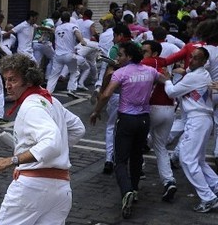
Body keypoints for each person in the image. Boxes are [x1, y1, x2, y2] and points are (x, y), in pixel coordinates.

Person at [0, 54, 85, 225]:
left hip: (32, 189)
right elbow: (78, 128)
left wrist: (11, 160)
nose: (7, 86)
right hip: (61, 190)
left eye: (13, 80)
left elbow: (52, 142)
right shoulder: (51, 101)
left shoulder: (31, 106)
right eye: (6, 80)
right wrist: (54, 152)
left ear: (28, 80)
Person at [90, 41, 168, 219]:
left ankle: (126, 191)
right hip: (144, 120)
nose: (118, 58)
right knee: (137, 156)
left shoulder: (121, 73)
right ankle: (134, 188)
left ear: (129, 57)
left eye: (121, 55)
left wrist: (96, 111)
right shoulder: (149, 71)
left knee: (121, 160)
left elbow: (107, 94)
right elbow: (166, 80)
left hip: (126, 119)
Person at [163, 47, 218, 213]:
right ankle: (215, 186)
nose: (191, 60)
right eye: (191, 57)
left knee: (187, 159)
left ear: (203, 62)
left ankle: (208, 197)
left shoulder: (195, 76)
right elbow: (188, 71)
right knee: (199, 160)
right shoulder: (201, 73)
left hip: (198, 120)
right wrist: (183, 70)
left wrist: (167, 79)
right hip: (201, 120)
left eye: (195, 58)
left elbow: (172, 92)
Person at [140, 40, 178, 202]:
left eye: (145, 51)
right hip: (169, 109)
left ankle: (138, 169)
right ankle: (169, 181)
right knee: (160, 147)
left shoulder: (148, 62)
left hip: (153, 108)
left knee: (136, 139)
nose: (142, 54)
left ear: (154, 53)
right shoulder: (163, 62)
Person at [46, 11, 87, 98]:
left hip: (58, 55)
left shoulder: (57, 28)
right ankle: (71, 89)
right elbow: (77, 32)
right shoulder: (72, 26)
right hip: (69, 55)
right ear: (69, 19)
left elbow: (52, 34)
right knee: (74, 72)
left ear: (61, 19)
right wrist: (82, 41)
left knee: (54, 75)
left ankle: (48, 93)